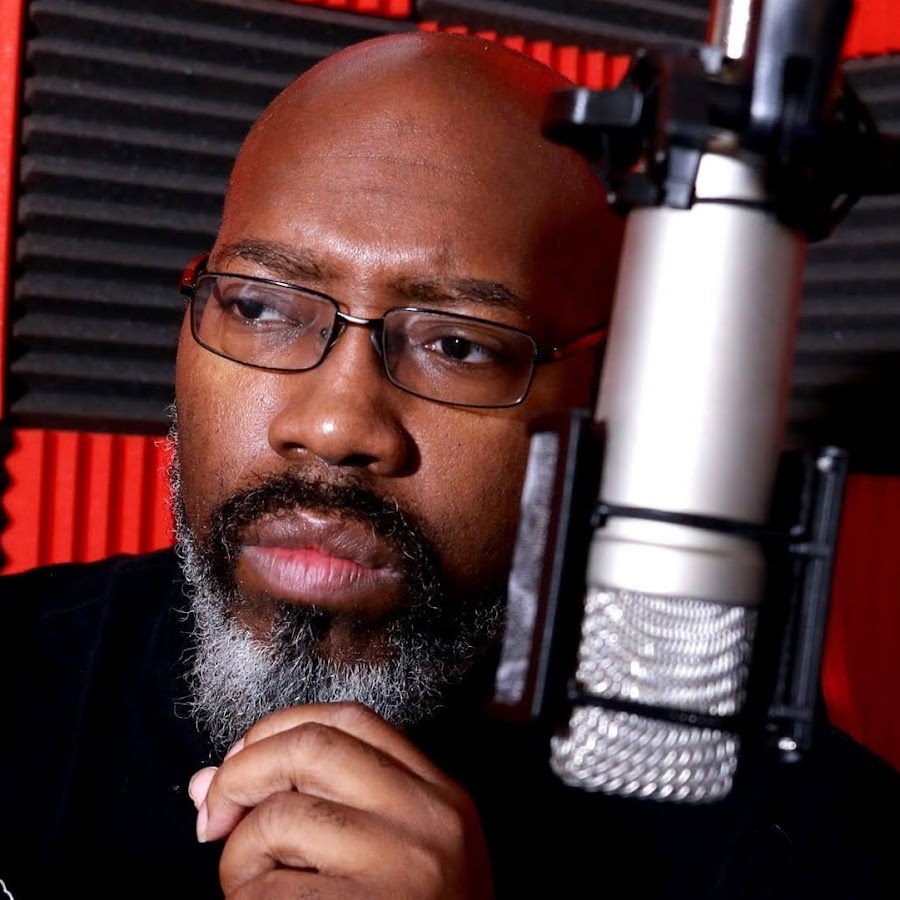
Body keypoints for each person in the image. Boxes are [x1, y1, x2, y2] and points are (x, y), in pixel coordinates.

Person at [1, 30, 897, 900]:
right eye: (262, 308)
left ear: (610, 406)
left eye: (459, 345)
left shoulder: (809, 846)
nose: (333, 424)